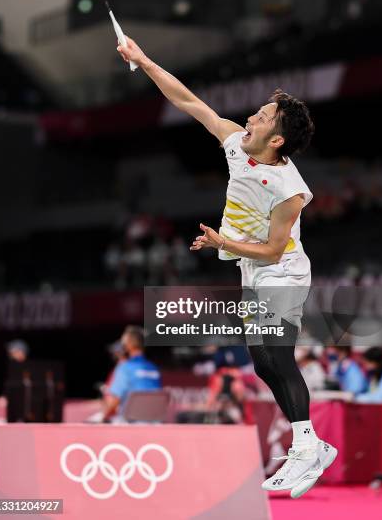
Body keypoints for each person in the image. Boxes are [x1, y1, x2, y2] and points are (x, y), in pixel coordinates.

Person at [117, 38, 338, 498]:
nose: (252, 117)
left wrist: (223, 242)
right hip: (252, 271)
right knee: (261, 363)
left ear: (277, 140)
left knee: (277, 355)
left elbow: (276, 250)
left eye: (263, 117)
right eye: (257, 111)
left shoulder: (289, 188)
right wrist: (143, 60)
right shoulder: (238, 143)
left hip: (283, 271)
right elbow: (188, 101)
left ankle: (306, 446)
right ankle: (310, 444)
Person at [101, 326, 162, 421]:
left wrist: (102, 418)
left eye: (123, 343)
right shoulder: (154, 368)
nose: (122, 346)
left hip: (129, 424)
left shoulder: (125, 368)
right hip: (154, 422)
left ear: (129, 344)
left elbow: (114, 402)